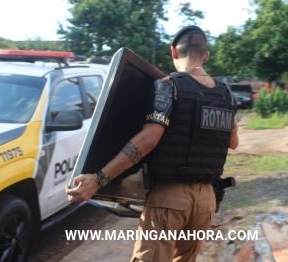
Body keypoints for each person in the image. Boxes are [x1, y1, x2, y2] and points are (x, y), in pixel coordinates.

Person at [65, 25, 239, 262]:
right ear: (205, 56)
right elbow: (233, 142)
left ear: (174, 53)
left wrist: (100, 178)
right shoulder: (226, 95)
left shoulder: (168, 86)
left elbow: (149, 139)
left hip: (170, 200)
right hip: (207, 202)